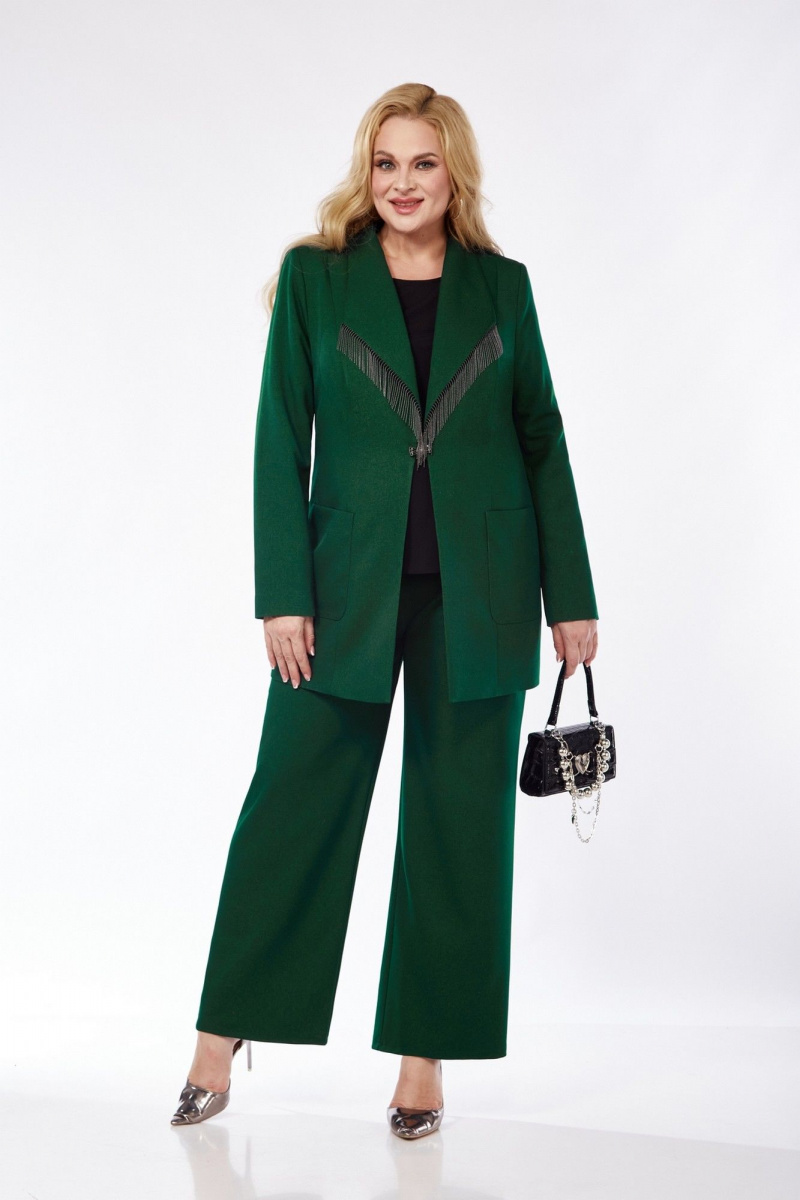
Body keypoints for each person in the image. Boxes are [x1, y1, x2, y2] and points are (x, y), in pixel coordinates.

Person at [171, 82, 599, 1139]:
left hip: (483, 594)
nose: (402, 183)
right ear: (366, 173)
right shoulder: (315, 280)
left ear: (454, 172)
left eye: (422, 163)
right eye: (385, 163)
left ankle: (422, 1064)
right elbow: (280, 436)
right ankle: (219, 1036)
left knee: (459, 833)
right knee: (291, 811)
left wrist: (572, 598)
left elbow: (540, 436)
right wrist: (282, 593)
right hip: (340, 592)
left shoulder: (502, 288)